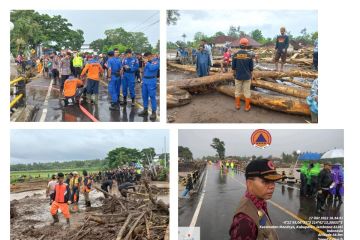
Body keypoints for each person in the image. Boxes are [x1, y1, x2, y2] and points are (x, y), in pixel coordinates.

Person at [229, 159, 282, 240]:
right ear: (249, 184)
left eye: (273, 181)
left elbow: (263, 229)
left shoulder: (258, 203)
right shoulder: (245, 223)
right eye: (266, 181)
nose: (272, 186)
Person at [232, 38, 254, 111]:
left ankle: (237, 105)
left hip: (238, 76)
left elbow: (233, 68)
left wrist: (234, 75)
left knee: (237, 91)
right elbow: (251, 68)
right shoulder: (249, 55)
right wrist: (252, 76)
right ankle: (247, 107)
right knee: (247, 92)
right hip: (247, 76)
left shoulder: (235, 55)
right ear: (246, 46)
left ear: (239, 45)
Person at [138, 52, 159, 121]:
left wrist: (147, 63)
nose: (144, 59)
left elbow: (152, 68)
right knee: (144, 96)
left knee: (152, 97)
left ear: (149, 56)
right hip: (145, 80)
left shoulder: (156, 61)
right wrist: (142, 80)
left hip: (151, 81)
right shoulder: (147, 62)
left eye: (145, 57)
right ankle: (145, 110)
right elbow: (144, 71)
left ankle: (153, 112)